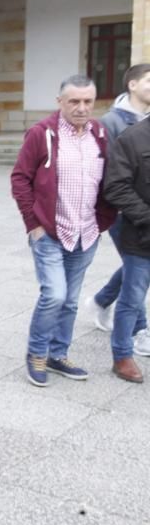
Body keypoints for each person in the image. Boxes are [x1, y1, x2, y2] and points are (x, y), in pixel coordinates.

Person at [11, 75, 115, 387]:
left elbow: (110, 180)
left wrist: (102, 221)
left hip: (87, 232)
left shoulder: (100, 133)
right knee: (54, 294)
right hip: (50, 233)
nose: (82, 108)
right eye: (74, 101)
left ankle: (58, 354)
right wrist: (34, 225)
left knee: (70, 299)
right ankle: (37, 354)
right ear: (60, 102)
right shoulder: (41, 134)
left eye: (87, 101)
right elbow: (20, 179)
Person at [85, 63, 150, 345]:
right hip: (122, 211)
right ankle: (139, 331)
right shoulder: (111, 122)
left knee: (138, 267)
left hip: (142, 209)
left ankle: (101, 300)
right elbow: (109, 174)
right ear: (132, 85)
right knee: (138, 271)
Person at [101, 115, 150, 384]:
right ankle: (122, 355)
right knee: (132, 299)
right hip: (142, 237)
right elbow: (115, 187)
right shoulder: (132, 138)